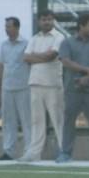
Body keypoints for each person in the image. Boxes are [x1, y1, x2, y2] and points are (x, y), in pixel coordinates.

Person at [59, 13, 89, 163]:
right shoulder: (67, 43)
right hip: (73, 89)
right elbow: (66, 62)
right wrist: (87, 70)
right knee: (69, 121)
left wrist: (88, 77)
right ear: (81, 26)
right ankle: (66, 153)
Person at [19, 9, 66, 162]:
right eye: (44, 19)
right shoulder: (34, 38)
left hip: (53, 83)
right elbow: (26, 57)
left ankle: (63, 151)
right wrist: (42, 57)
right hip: (35, 82)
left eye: (49, 19)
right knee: (37, 120)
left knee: (58, 119)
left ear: (53, 21)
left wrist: (36, 57)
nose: (47, 22)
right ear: (39, 21)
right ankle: (34, 152)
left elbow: (52, 55)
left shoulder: (59, 37)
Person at [0, 16, 31, 161]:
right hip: (7, 87)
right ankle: (8, 151)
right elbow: (2, 66)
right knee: (8, 121)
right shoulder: (4, 45)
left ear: (16, 28)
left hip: (23, 86)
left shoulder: (26, 44)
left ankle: (29, 150)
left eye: (9, 26)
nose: (7, 29)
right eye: (6, 27)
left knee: (26, 120)